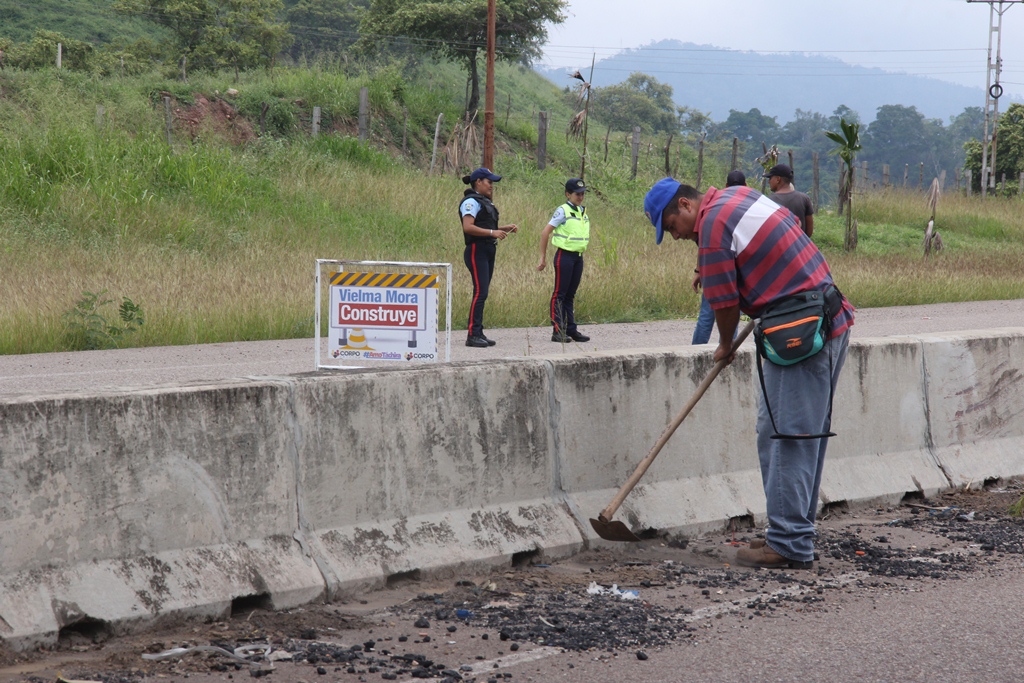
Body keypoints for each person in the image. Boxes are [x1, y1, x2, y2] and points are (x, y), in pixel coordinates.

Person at [643, 177, 855, 570]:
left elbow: (724, 304)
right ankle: (788, 530)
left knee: (788, 436)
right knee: (788, 433)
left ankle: (789, 544)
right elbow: (757, 245)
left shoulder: (710, 230)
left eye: (671, 227)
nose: (674, 237)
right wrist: (707, 265)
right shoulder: (734, 198)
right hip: (823, 315)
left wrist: (724, 346)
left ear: (686, 206)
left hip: (801, 330)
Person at [459, 167, 518, 348]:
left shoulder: (484, 202)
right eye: (489, 182)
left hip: (487, 250)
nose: (492, 186)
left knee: (483, 292)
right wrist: (493, 232)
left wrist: (503, 228)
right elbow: (468, 227)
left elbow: (485, 225)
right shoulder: (470, 202)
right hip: (477, 250)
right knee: (480, 292)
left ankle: (478, 332)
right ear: (478, 182)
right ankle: (472, 334)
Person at [692, 170, 746, 344]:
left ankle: (697, 352)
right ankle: (729, 349)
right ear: (746, 186)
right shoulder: (746, 205)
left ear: (726, 186)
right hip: (735, 271)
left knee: (706, 318)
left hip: (713, 269)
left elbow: (704, 245)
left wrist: (698, 270)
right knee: (732, 315)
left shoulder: (716, 207)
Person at [537, 178, 591, 343]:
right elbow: (545, 232)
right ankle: (557, 330)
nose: (580, 197)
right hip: (565, 256)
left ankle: (571, 329)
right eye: (577, 194)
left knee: (570, 295)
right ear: (568, 194)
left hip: (578, 257)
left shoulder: (582, 211)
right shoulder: (563, 210)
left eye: (582, 194)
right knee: (559, 294)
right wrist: (543, 257)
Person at [765, 164, 815, 238]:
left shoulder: (768, 201)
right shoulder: (804, 199)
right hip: (799, 246)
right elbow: (809, 232)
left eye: (770, 178)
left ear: (778, 179)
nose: (769, 181)